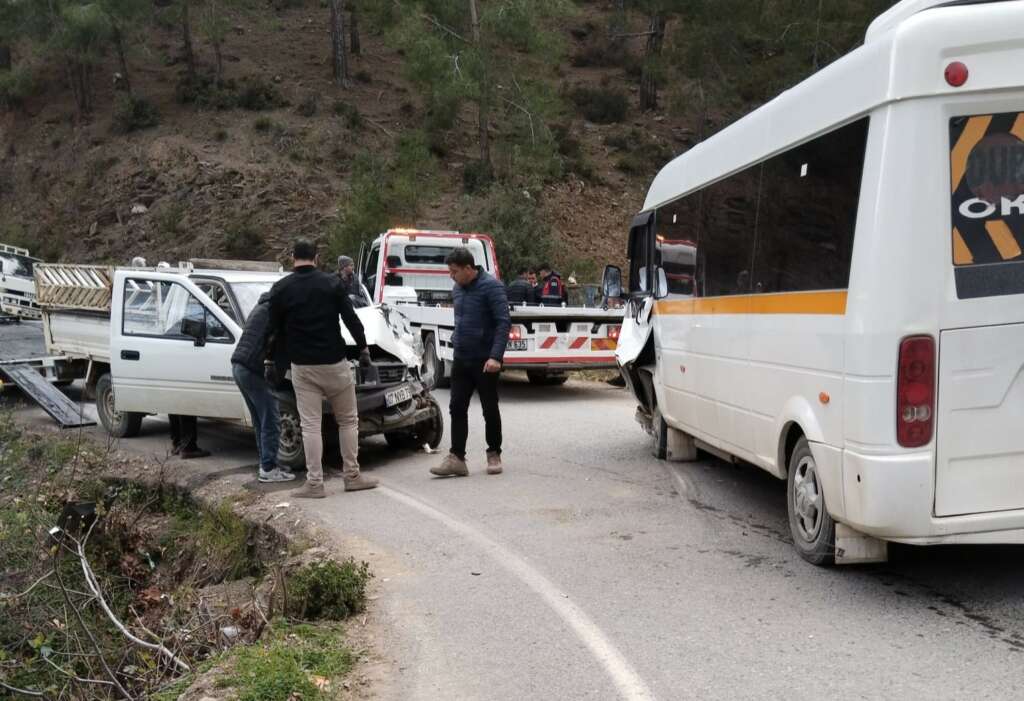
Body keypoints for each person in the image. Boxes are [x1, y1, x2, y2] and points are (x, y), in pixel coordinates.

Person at [269, 240, 378, 498]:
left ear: (292, 257)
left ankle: (315, 483)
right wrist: (363, 350)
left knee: (310, 426)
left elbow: (273, 331)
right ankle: (352, 476)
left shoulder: (281, 288)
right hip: (335, 363)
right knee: (348, 420)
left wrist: (269, 360)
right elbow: (351, 320)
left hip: (303, 367)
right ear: (316, 258)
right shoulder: (332, 284)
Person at [431, 247, 511, 478]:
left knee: (489, 408)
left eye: (454, 271)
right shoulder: (458, 289)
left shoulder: (492, 287)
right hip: (462, 357)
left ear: (469, 268)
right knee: (457, 406)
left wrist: (496, 356)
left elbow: (503, 322)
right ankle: (457, 458)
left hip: (485, 360)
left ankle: (494, 452)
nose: (451, 276)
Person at [231, 292, 295, 483]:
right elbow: (275, 341)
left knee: (261, 421)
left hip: (240, 365)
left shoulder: (262, 306)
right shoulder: (277, 312)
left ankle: (267, 463)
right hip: (255, 369)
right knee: (271, 420)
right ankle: (268, 468)